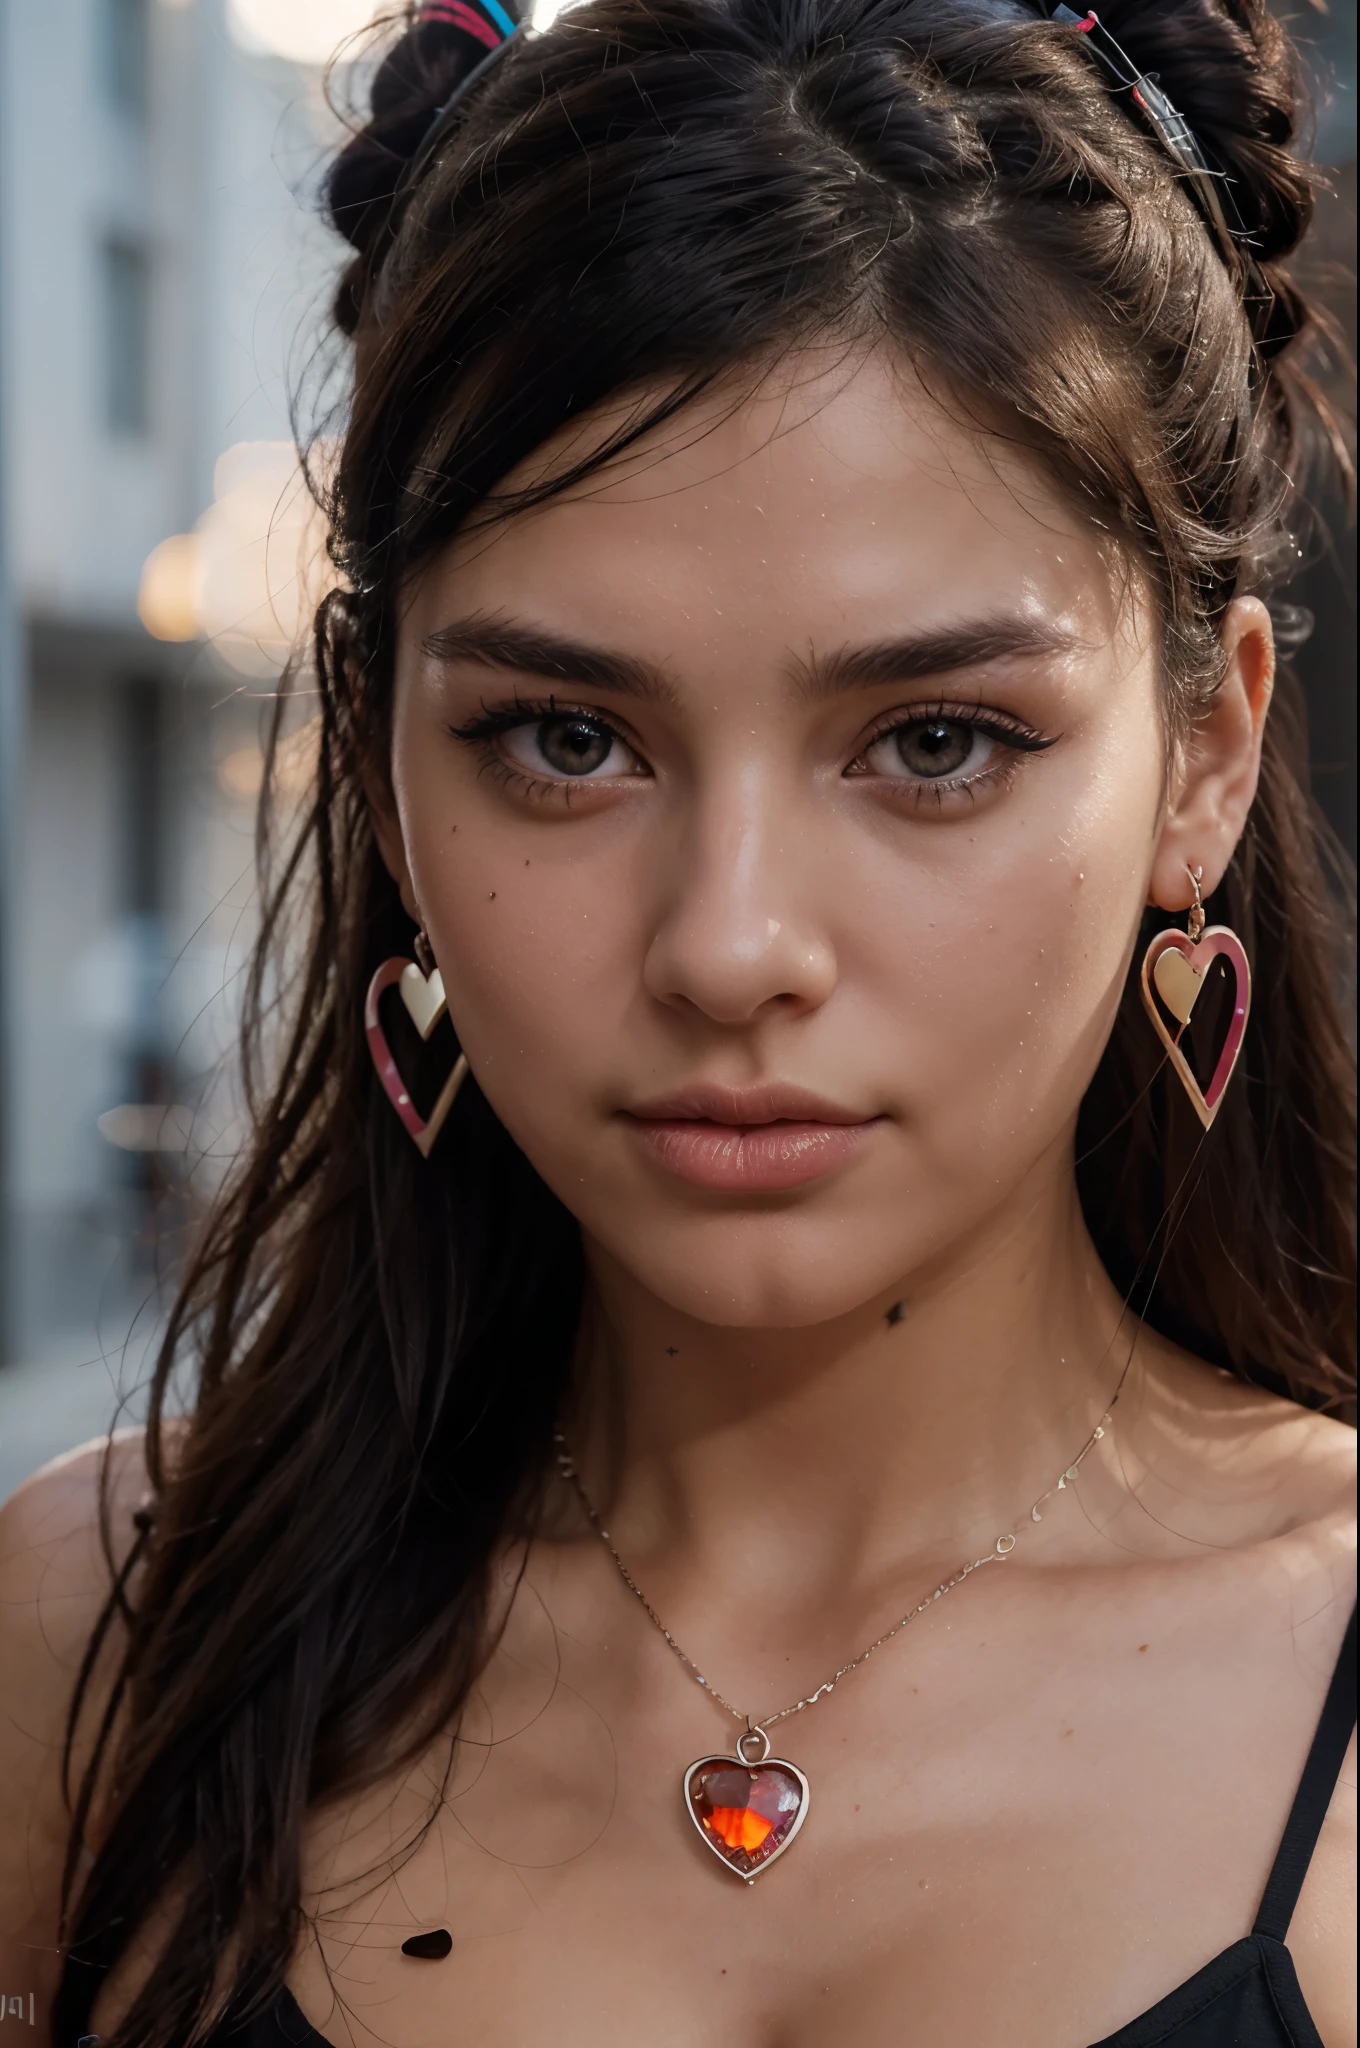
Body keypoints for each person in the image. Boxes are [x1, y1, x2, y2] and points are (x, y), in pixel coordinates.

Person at [2, 0, 1355, 2041]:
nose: (728, 947)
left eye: (928, 741)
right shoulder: (87, 1631)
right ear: (377, 766)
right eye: (566, 738)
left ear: (1202, 756)